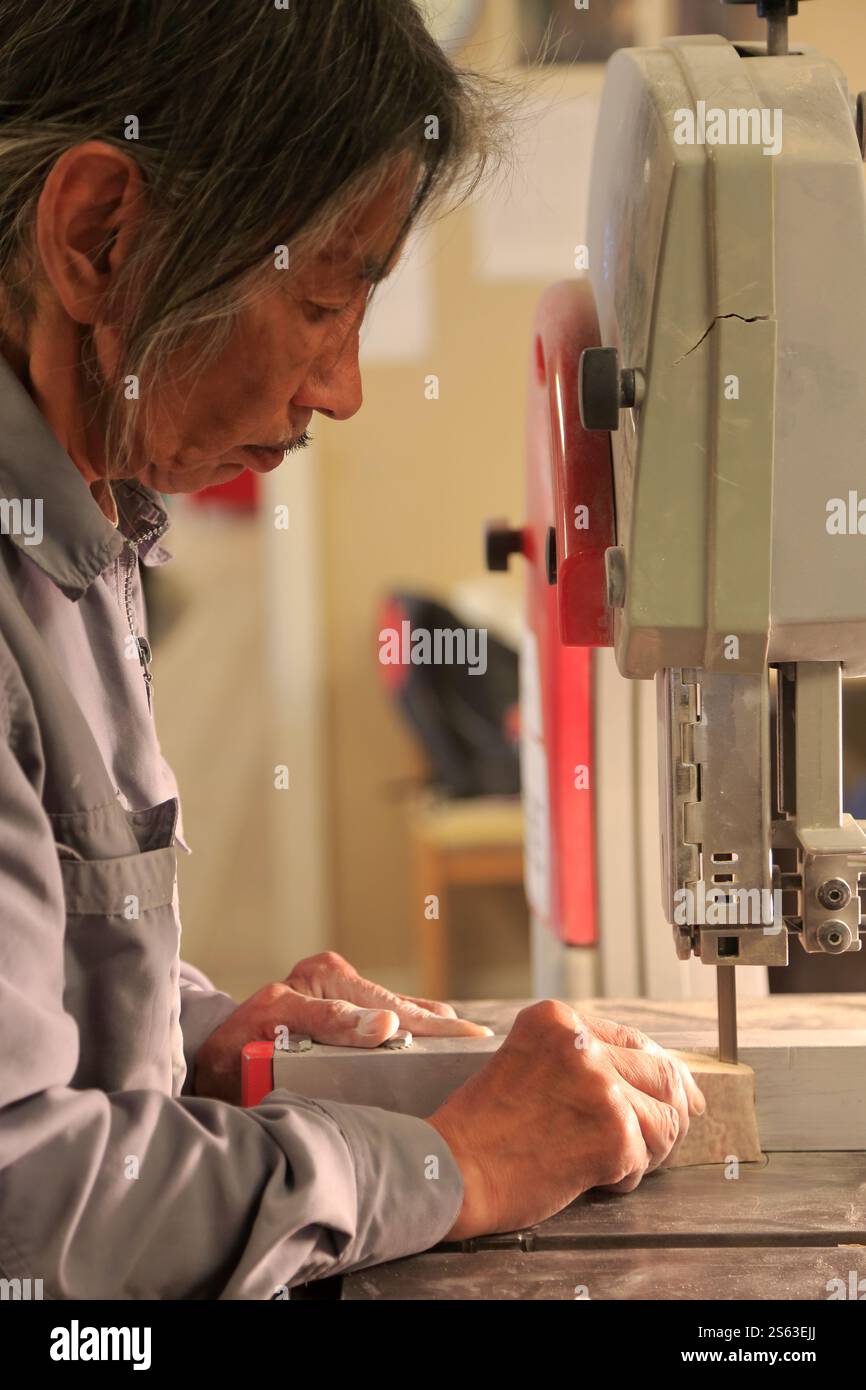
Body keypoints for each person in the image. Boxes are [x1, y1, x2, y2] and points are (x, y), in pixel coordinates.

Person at [0, 0, 703, 1298]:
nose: (342, 387)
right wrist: (445, 1165)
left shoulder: (84, 528)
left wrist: (196, 1037)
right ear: (98, 236)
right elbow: (21, 1204)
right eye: (324, 302)